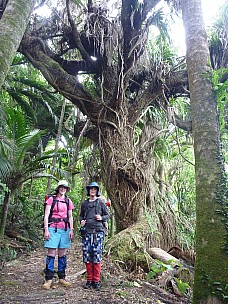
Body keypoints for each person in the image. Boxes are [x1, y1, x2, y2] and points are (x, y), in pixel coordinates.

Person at [43, 180, 74, 290]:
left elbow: (70, 216)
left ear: (67, 189)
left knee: (62, 253)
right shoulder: (52, 199)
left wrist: (71, 229)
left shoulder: (68, 201)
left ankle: (62, 277)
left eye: (65, 187)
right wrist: (46, 230)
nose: (63, 189)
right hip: (53, 228)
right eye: (61, 187)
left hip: (65, 229)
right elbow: (46, 215)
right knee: (51, 253)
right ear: (58, 188)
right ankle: (49, 279)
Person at [79, 182, 110, 290]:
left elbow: (107, 215)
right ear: (89, 191)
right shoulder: (85, 204)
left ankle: (96, 281)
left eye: (94, 189)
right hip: (87, 232)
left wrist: (101, 218)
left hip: (98, 232)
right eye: (91, 189)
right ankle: (89, 280)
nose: (92, 191)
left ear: (97, 191)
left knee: (96, 255)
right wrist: (81, 222)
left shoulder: (100, 202)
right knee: (87, 256)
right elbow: (81, 216)